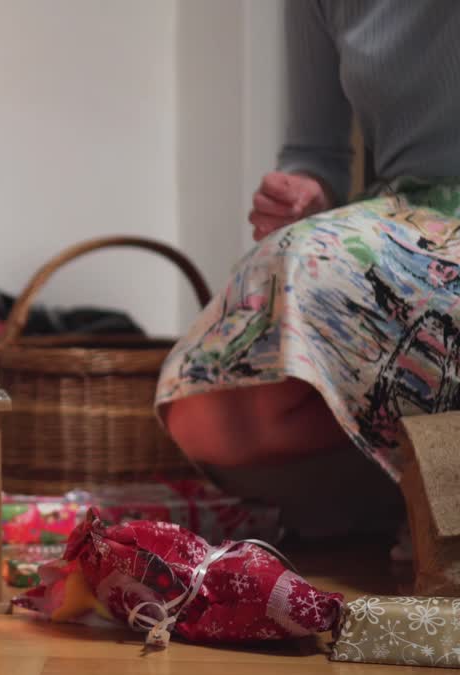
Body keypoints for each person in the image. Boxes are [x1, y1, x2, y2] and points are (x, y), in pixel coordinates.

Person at [158, 2, 460, 542]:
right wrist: (302, 193)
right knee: (213, 413)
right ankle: (422, 491)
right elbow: (314, 152)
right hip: (410, 219)